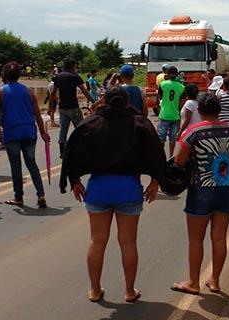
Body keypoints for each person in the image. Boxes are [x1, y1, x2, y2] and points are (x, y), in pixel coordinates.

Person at [61, 87, 168, 303]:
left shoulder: (91, 123)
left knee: (97, 241)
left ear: (105, 101)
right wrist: (156, 181)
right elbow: (156, 151)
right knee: (128, 243)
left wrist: (74, 180)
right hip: (129, 189)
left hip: (98, 189)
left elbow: (71, 150)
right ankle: (129, 291)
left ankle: (94, 290)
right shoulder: (139, 123)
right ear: (127, 101)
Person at [171, 94, 229, 295]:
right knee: (219, 238)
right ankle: (215, 281)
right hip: (227, 186)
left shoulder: (193, 131)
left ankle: (193, 282)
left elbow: (179, 161)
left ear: (199, 111)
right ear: (219, 110)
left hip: (202, 187)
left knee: (196, 239)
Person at [0, 61, 51, 208]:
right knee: (31, 163)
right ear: (19, 75)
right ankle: (41, 194)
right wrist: (43, 132)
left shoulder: (0, 92)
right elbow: (37, 114)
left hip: (12, 133)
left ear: (4, 74)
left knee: (16, 165)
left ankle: (18, 197)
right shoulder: (29, 91)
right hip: (29, 131)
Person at [51, 58, 93, 158]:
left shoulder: (58, 76)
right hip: (73, 107)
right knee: (81, 128)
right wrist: (94, 102)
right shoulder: (75, 76)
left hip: (62, 108)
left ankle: (62, 151)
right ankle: (83, 149)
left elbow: (52, 93)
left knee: (63, 130)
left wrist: (53, 104)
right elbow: (84, 91)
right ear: (73, 66)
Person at [157, 65, 185, 155]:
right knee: (172, 138)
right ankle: (171, 155)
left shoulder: (163, 84)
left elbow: (159, 97)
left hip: (164, 114)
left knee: (161, 137)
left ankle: (161, 156)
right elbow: (182, 102)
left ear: (167, 74)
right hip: (175, 116)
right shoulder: (181, 87)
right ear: (177, 75)